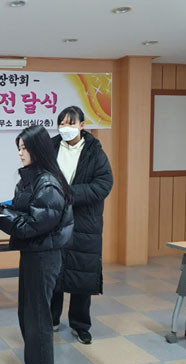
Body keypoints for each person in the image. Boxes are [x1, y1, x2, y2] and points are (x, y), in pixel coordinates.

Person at [0, 125, 73, 364]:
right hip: (33, 254)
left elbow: (34, 224)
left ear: (38, 149)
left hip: (44, 256)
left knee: (38, 317)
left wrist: (4, 218)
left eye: (24, 148)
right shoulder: (32, 178)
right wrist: (3, 210)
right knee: (28, 314)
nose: (20, 153)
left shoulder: (48, 183)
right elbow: (25, 210)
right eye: (19, 147)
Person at [50, 106, 113, 344]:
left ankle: (80, 325)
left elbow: (103, 185)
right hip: (54, 219)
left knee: (82, 274)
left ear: (82, 126)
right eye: (62, 123)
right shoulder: (51, 147)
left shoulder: (95, 152)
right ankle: (51, 320)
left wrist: (70, 194)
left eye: (71, 123)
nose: (65, 128)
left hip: (85, 221)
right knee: (54, 272)